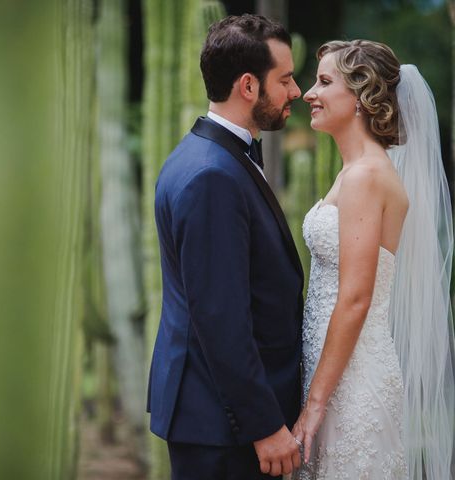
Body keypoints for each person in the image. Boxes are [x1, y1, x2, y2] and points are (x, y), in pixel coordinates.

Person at [147, 14, 304, 479]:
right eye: (286, 78)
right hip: (224, 428)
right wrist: (265, 426)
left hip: (218, 418)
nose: (296, 91)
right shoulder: (212, 176)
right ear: (250, 86)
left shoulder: (204, 156)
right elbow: (220, 318)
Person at [294, 39, 455, 479]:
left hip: (351, 384)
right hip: (336, 373)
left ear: (363, 97)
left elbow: (355, 299)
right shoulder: (355, 170)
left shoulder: (366, 175)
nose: (309, 93)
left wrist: (315, 403)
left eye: (324, 82)